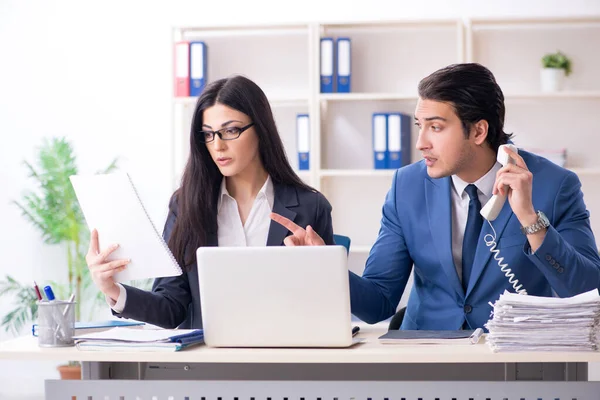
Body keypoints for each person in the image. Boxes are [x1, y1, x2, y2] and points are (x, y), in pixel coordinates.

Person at [271, 63, 600, 330]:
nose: (421, 143)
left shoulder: (554, 185)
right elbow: (378, 303)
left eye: (436, 127)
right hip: (426, 361)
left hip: (514, 360)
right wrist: (323, 265)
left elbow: (588, 292)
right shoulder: (407, 186)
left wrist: (530, 219)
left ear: (478, 131)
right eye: (419, 125)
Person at [86, 75, 334, 329]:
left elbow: (326, 309)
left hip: (283, 358)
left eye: (230, 130)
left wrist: (317, 270)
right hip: (207, 362)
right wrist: (113, 290)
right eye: (208, 134)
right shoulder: (185, 205)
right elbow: (172, 307)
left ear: (260, 128)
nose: (217, 146)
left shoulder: (310, 207)